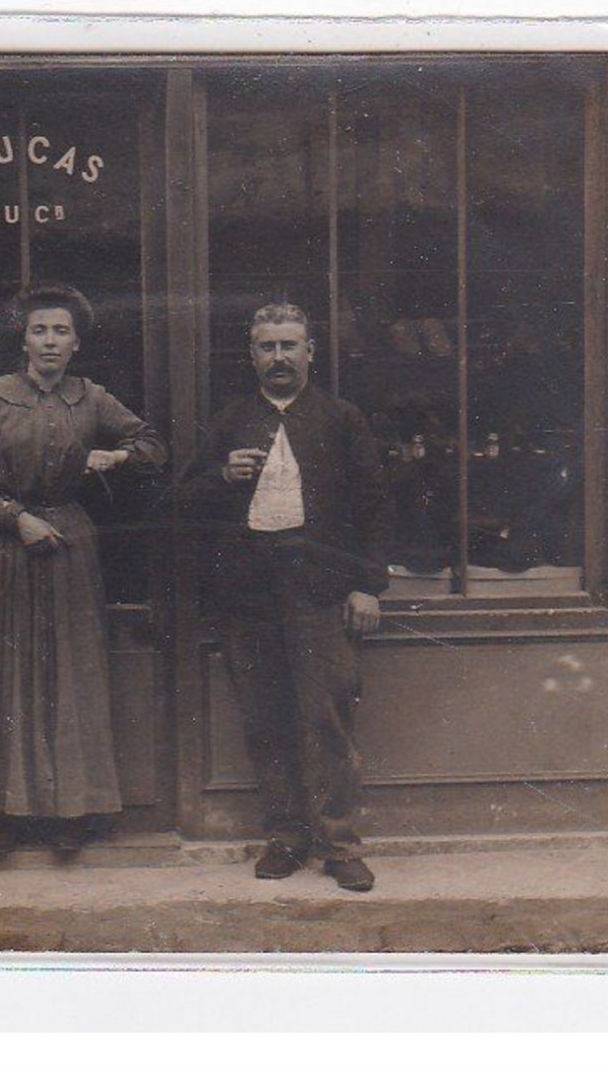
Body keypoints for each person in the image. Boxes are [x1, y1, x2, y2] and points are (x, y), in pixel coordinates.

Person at [0, 283, 167, 852]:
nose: (49, 341)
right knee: (2, 674)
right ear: (23, 338)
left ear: (76, 344)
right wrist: (15, 519)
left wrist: (116, 455)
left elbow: (152, 445)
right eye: (40, 329)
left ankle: (70, 813)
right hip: (2, 551)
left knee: (70, 673)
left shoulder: (90, 398)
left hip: (69, 548)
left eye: (60, 331)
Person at [178, 303, 392, 892]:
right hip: (248, 598)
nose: (278, 358)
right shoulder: (228, 423)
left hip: (320, 595)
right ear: (251, 356)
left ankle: (339, 843)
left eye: (289, 346)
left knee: (326, 718)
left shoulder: (341, 419)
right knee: (265, 719)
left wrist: (364, 584)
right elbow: (182, 501)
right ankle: (286, 837)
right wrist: (222, 477)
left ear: (310, 353)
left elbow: (373, 507)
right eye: (267, 347)